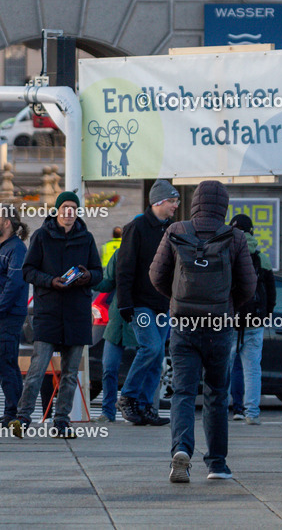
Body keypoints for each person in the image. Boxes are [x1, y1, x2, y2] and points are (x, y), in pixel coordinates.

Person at [150, 180, 256, 483]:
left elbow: (156, 275)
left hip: (184, 324)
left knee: (183, 392)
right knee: (216, 395)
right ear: (223, 205)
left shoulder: (176, 231)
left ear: (195, 201)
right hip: (219, 326)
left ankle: (181, 450)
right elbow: (249, 285)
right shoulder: (234, 236)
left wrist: (176, 300)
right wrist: (226, 304)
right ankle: (217, 464)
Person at [11, 191, 102, 439]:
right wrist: (51, 281)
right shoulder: (41, 236)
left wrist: (87, 276)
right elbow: (28, 271)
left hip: (76, 312)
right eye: (65, 208)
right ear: (58, 210)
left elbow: (98, 272)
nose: (69, 212)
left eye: (73, 208)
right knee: (37, 369)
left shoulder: (86, 238)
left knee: (70, 373)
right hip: (48, 311)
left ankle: (61, 421)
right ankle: (23, 417)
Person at [116, 179, 180, 426]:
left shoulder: (172, 230)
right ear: (159, 202)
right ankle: (129, 396)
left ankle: (145, 406)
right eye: (173, 201)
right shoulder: (137, 228)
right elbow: (125, 267)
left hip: (162, 304)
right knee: (151, 348)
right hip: (141, 302)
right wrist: (125, 303)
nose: (176, 205)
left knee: (157, 357)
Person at [226, 214, 276, 426]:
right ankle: (252, 412)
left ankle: (230, 407)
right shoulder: (261, 257)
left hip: (230, 320)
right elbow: (271, 292)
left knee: (226, 366)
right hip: (254, 320)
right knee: (252, 368)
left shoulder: (227, 252)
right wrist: (266, 315)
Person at [0, 205, 30, 428]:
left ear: (7, 222)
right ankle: (11, 414)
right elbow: (3, 280)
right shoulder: (4, 246)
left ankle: (14, 415)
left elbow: (15, 283)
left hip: (8, 315)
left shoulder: (16, 248)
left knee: (5, 365)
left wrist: (0, 309)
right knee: (4, 364)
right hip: (2, 313)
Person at [92, 227, 136, 423]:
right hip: (118, 321)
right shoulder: (119, 254)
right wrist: (89, 278)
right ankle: (108, 412)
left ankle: (136, 406)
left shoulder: (152, 255)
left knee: (143, 365)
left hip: (140, 319)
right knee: (109, 367)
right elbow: (107, 283)